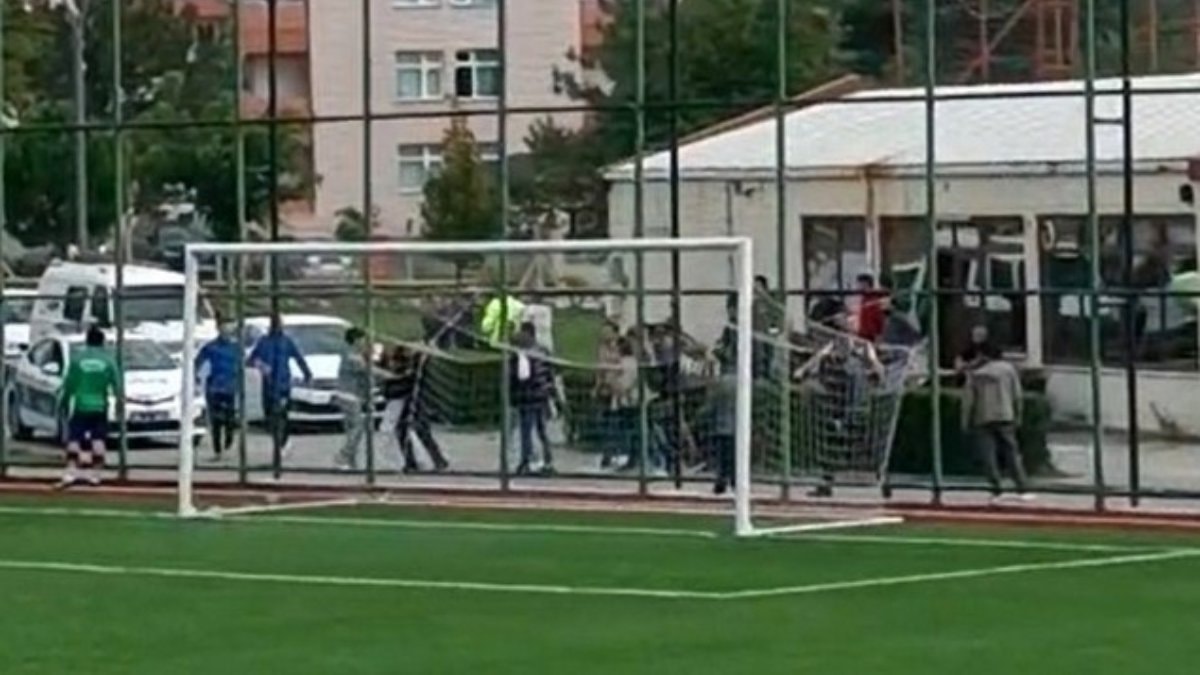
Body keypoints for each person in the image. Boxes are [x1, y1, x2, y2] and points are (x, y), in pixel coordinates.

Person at [961, 345, 1031, 504]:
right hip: (1005, 415)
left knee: (988, 456)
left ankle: (996, 489)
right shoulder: (1009, 370)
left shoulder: (975, 374)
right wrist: (1018, 414)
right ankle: (1022, 487)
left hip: (982, 417)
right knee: (1011, 453)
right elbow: (1017, 395)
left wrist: (965, 421)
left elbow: (968, 401)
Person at [58, 326, 121, 488]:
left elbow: (69, 385)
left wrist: (64, 402)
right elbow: (117, 384)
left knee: (74, 438)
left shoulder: (77, 360)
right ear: (102, 342)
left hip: (80, 405)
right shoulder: (108, 361)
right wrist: (119, 404)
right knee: (98, 439)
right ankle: (96, 475)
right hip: (100, 405)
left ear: (86, 341)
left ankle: (71, 472)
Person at [248, 313, 312, 457]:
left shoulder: (286, 341)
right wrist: (261, 365)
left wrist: (307, 374)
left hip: (283, 384)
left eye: (279, 323)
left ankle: (282, 443)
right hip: (268, 385)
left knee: (281, 414)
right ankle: (278, 441)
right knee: (269, 415)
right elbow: (251, 359)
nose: (277, 326)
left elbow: (298, 358)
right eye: (275, 323)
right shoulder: (263, 342)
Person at [391, 344, 450, 473]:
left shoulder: (420, 360)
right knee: (407, 429)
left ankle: (433, 460)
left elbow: (416, 376)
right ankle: (417, 461)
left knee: (416, 428)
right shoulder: (408, 359)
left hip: (417, 398)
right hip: (411, 397)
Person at [510, 322, 559, 475]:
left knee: (532, 430)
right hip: (535, 397)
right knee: (535, 430)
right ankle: (537, 460)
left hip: (533, 397)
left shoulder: (530, 353)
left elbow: (525, 376)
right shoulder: (538, 352)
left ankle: (532, 460)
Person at [194, 317, 241, 460]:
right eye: (223, 328)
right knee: (216, 421)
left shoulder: (235, 347)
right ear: (219, 329)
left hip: (230, 387)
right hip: (214, 387)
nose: (226, 331)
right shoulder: (211, 347)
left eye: (229, 328)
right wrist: (196, 376)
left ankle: (228, 442)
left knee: (230, 419)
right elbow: (197, 362)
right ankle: (218, 450)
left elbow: (241, 366)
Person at [334, 327, 371, 470]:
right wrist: (391, 376)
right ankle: (343, 456)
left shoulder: (354, 354)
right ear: (356, 340)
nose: (365, 342)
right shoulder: (351, 355)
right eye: (362, 339)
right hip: (349, 395)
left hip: (350, 395)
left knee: (351, 429)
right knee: (358, 427)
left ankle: (350, 461)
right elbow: (368, 370)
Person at [854, 273, 887, 342]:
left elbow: (879, 319)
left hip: (869, 336)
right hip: (863, 335)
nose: (857, 287)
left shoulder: (872, 300)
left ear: (865, 284)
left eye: (859, 284)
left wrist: (878, 335)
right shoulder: (865, 299)